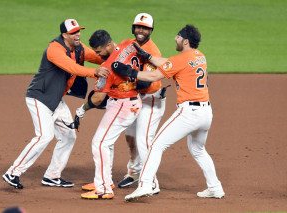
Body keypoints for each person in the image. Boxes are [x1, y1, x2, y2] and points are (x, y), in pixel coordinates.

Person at [111, 24, 225, 201]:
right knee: (198, 149)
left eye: (178, 36)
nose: (175, 39)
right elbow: (169, 64)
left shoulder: (179, 60)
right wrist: (148, 56)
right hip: (206, 113)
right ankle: (215, 188)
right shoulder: (199, 56)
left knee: (156, 145)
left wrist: (129, 71)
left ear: (185, 41)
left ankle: (145, 185)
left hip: (189, 113)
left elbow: (153, 76)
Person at [2, 19, 109, 189]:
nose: (77, 34)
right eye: (73, 32)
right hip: (39, 97)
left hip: (56, 100)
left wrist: (115, 58)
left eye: (78, 31)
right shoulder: (54, 49)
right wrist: (94, 72)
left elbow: (98, 57)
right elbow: (72, 68)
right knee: (44, 136)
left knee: (68, 135)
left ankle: (52, 176)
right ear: (64, 35)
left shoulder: (79, 47)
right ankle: (13, 172)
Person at [77, 29, 143, 199]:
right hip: (133, 100)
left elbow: (98, 99)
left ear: (108, 45)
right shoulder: (128, 44)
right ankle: (104, 180)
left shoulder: (107, 67)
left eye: (99, 51)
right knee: (107, 142)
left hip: (123, 105)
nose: (97, 55)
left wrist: (82, 110)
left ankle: (104, 188)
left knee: (99, 143)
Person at [115, 13, 166, 191]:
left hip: (150, 98)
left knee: (144, 140)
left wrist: (125, 75)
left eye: (144, 28)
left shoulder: (153, 51)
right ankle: (134, 172)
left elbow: (146, 82)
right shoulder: (127, 44)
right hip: (134, 97)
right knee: (130, 136)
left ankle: (151, 182)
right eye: (138, 26)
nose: (140, 31)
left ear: (151, 30)